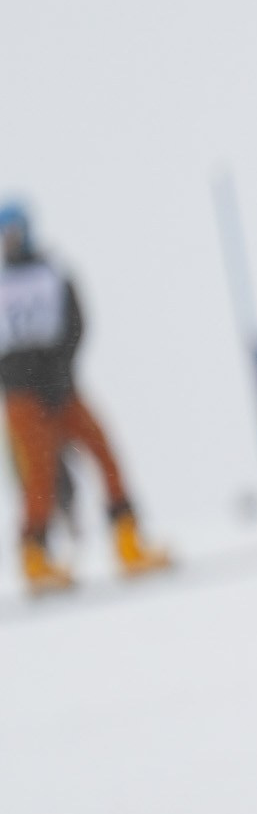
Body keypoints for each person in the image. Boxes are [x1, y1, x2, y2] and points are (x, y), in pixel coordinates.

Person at [1, 201, 172, 593]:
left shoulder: (53, 273)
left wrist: (58, 374)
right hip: (21, 398)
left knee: (104, 451)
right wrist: (16, 384)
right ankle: (34, 558)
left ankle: (128, 541)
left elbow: (76, 324)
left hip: (61, 387)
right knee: (38, 476)